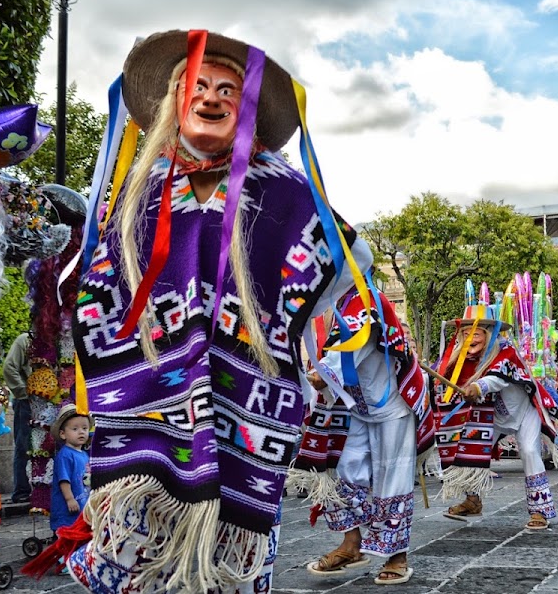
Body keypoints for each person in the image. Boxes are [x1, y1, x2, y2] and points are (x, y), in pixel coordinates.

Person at [42, 30, 374, 593]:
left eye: (228, 89)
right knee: (144, 563)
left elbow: (350, 257)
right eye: (197, 85)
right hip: (150, 414)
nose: (212, 97)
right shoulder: (138, 192)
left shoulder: (283, 191)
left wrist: (269, 315)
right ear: (175, 99)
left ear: (245, 112)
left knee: (230, 571)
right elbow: (97, 288)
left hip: (243, 404)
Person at [295, 286, 432, 586]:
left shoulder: (366, 301)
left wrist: (321, 374)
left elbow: (352, 349)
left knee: (390, 478)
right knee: (344, 471)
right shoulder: (340, 303)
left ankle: (397, 557)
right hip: (359, 407)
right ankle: (352, 545)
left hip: (392, 407)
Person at [436, 294, 558, 531]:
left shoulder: (506, 352)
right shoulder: (461, 359)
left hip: (523, 413)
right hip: (491, 416)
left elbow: (496, 378)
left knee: (530, 451)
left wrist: (476, 387)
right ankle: (473, 501)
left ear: (489, 334)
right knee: (466, 447)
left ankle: (540, 511)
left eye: (476, 332)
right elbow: (443, 378)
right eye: (464, 333)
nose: (469, 338)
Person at [50, 406, 91, 544]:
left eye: (84, 428)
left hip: (81, 505)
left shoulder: (84, 454)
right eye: (75, 429)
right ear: (63, 434)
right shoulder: (65, 455)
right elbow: (64, 480)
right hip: (67, 509)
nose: (81, 432)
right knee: (66, 536)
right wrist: (69, 499)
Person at [3, 331, 33, 503]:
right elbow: (9, 368)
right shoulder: (25, 339)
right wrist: (24, 393)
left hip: (51, 401)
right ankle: (22, 490)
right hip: (27, 402)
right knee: (24, 445)